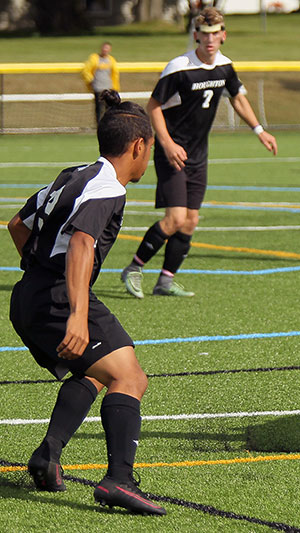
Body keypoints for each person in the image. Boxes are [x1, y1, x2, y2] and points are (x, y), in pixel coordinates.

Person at [7, 90, 166, 515]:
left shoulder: (73, 174)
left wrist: (40, 274)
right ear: (138, 146)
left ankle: (47, 456)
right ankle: (119, 480)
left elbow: (17, 224)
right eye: (149, 149)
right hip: (60, 299)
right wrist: (76, 312)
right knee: (130, 377)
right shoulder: (107, 188)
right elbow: (81, 242)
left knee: (98, 371)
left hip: (29, 296)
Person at [120, 6, 278, 298]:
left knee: (191, 220)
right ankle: (134, 267)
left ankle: (165, 280)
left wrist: (259, 130)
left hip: (199, 154)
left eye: (215, 34)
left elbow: (238, 99)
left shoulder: (225, 66)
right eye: (204, 34)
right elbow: (154, 106)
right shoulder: (179, 67)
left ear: (223, 36)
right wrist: (166, 143)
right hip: (173, 152)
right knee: (176, 219)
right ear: (195, 35)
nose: (209, 39)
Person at [81, 41, 120, 125]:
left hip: (109, 88)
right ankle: (99, 125)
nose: (105, 50)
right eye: (104, 48)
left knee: (110, 108)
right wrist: (90, 80)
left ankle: (110, 124)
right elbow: (86, 70)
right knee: (99, 108)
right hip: (98, 87)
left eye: (107, 48)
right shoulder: (94, 58)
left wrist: (115, 87)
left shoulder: (111, 60)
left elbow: (115, 74)